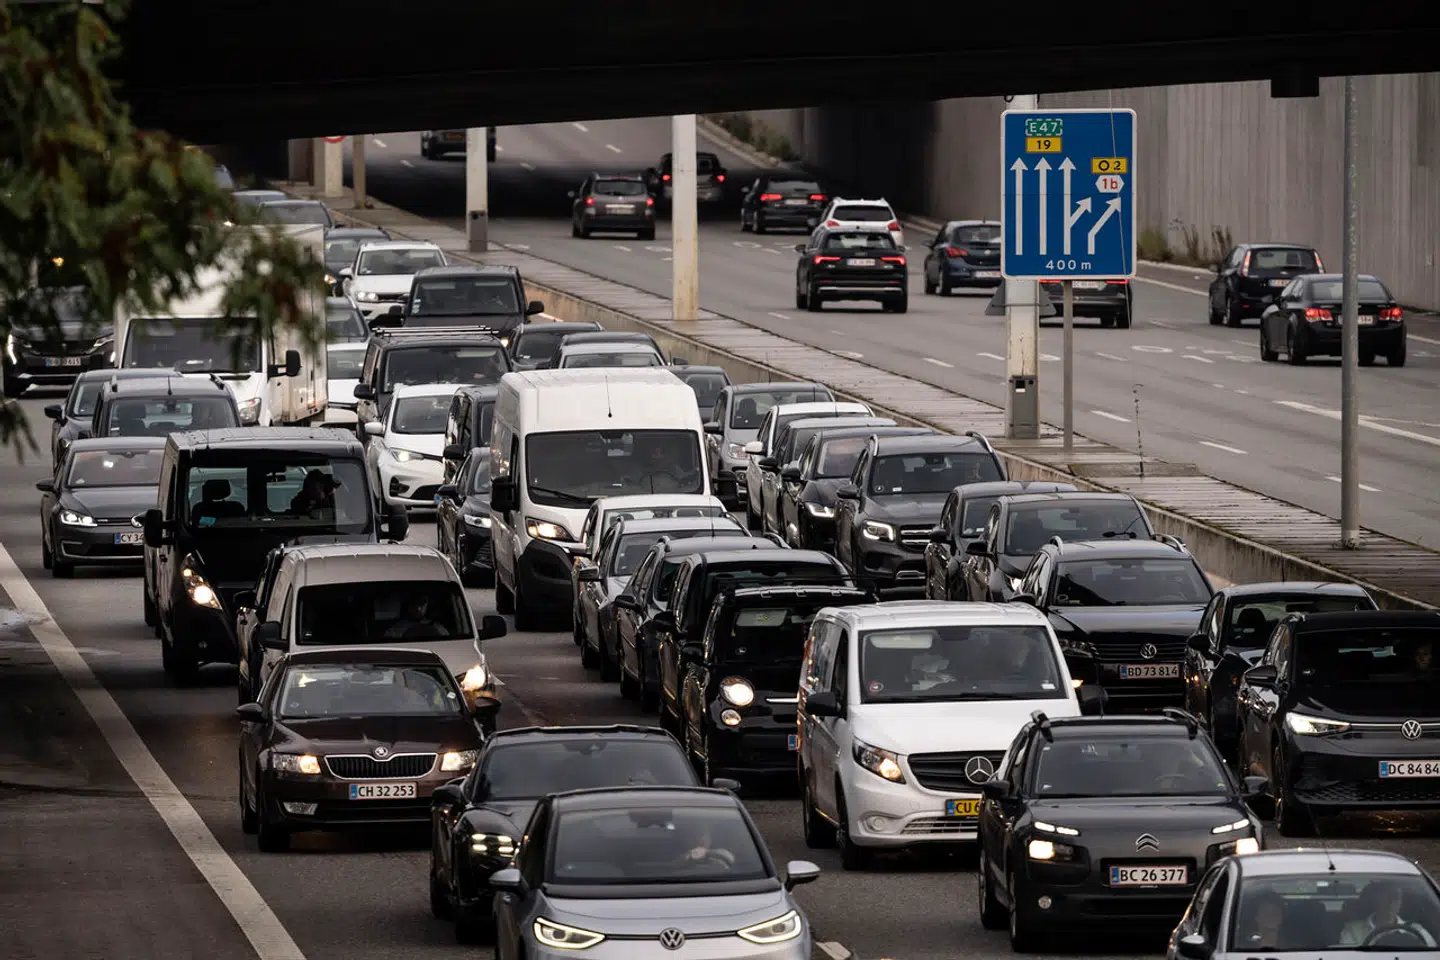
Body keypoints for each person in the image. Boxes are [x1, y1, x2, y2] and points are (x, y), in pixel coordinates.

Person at [1338, 881, 1437, 946]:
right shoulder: (1353, 930)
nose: (1391, 902)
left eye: (1396, 897)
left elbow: (1433, 954)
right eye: (1386, 897)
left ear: (1401, 902)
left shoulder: (1416, 930)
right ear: (1375, 900)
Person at [383, 592, 450, 639]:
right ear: (408, 605)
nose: (418, 608)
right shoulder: (396, 630)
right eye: (415, 603)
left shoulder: (438, 628)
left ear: (427, 605)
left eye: (422, 604)